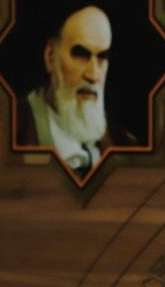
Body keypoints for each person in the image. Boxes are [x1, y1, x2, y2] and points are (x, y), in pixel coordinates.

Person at [16, 3, 137, 178]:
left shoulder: (125, 145)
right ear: (51, 56)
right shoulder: (12, 129)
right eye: (81, 54)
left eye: (102, 57)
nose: (93, 75)